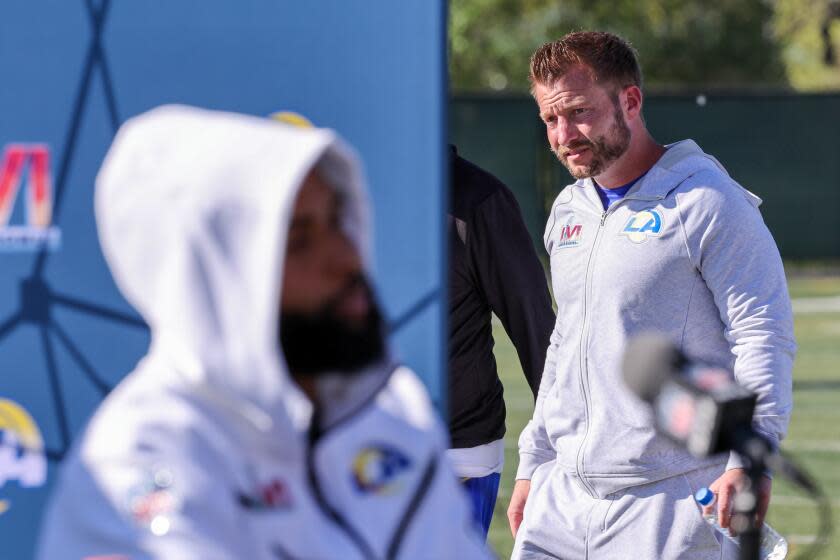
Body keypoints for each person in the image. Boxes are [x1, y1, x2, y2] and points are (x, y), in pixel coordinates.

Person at [38, 105, 490, 559]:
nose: (346, 257)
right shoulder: (140, 459)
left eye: (338, 220)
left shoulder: (395, 416)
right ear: (216, 276)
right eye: (299, 240)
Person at [508, 31, 795, 559]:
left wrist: (750, 461)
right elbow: (565, 345)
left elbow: (763, 334)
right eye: (550, 119)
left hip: (675, 500)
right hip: (562, 500)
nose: (563, 134)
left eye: (578, 112)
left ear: (631, 101)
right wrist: (534, 462)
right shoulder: (567, 211)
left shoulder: (709, 202)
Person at [447, 146, 555, 538]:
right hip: (346, 448)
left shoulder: (478, 198)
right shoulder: (343, 187)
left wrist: (566, 450)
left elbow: (537, 330)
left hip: (456, 455)